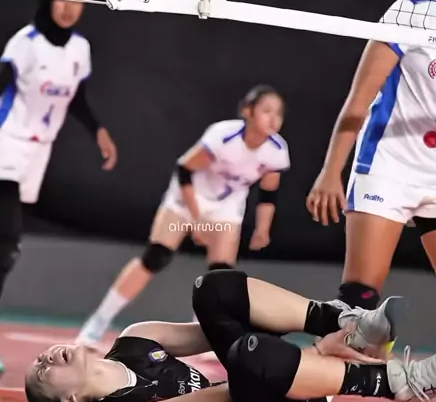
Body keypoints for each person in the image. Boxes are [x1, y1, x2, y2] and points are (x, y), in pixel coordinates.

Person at [22, 270, 434, 402]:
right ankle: (398, 382)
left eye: (38, 359)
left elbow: (228, 326)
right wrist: (320, 354)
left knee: (211, 289)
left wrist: (322, 336)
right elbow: (231, 392)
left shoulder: (136, 338)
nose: (43, 359)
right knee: (249, 355)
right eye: (41, 374)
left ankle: (348, 322)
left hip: (274, 388)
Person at [0, 0, 117, 375]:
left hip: (37, 154)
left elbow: (76, 98)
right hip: (1, 144)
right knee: (6, 244)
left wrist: (98, 130)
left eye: (77, 0)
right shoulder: (26, 42)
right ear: (48, 1)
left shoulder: (80, 49)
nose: (69, 7)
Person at [306, 0, 436, 402]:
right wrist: (331, 171)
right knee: (358, 302)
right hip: (389, 165)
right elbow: (358, 100)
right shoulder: (412, 12)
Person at [76, 85, 289, 347]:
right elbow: (185, 169)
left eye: (279, 113)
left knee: (221, 274)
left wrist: (263, 228)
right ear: (248, 111)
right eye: (266, 110)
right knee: (156, 256)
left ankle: (200, 334)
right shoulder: (223, 137)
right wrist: (197, 220)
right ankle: (98, 322)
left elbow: (268, 193)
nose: (273, 118)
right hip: (188, 197)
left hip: (225, 206)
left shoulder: (276, 150)